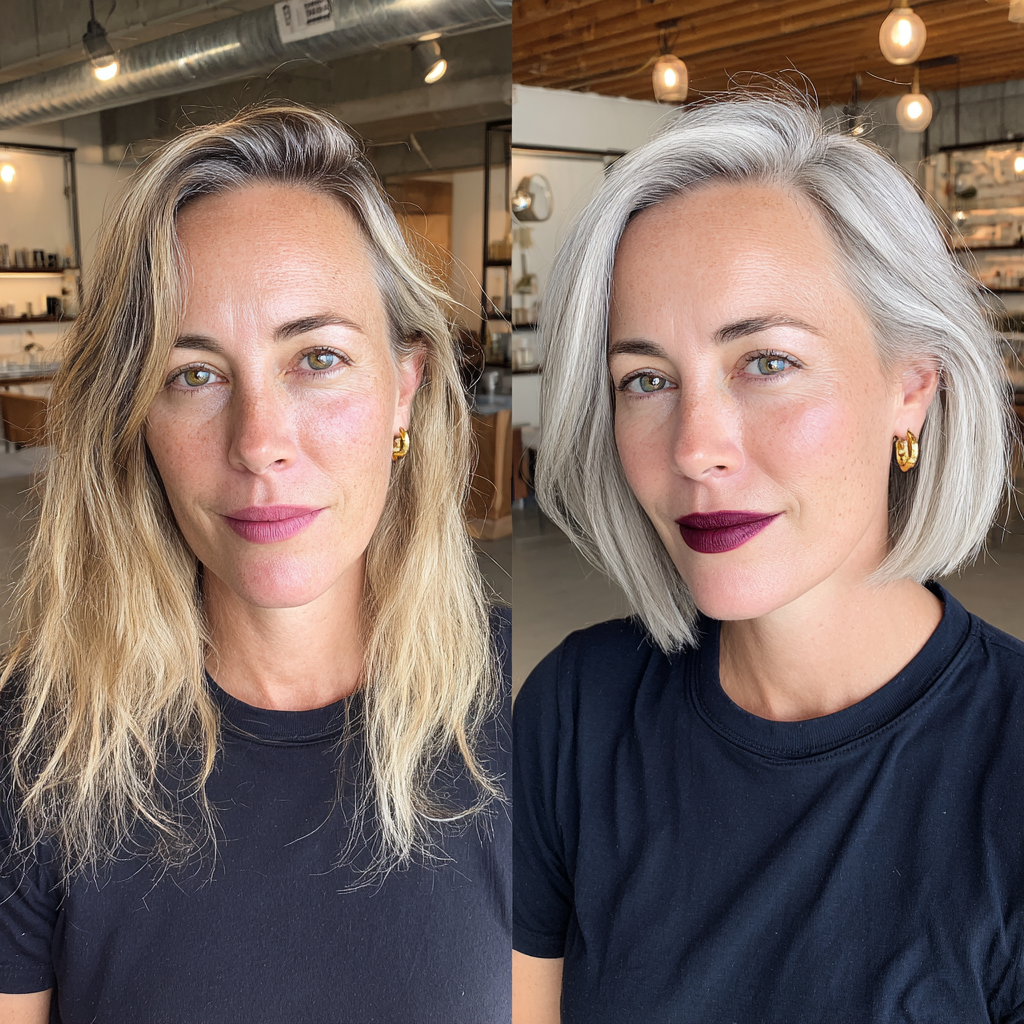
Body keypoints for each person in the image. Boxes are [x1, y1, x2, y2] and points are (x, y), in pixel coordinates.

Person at [512, 94, 1024, 1024]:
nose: (694, 448)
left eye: (767, 362)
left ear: (912, 385)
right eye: (646, 380)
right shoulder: (573, 713)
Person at [0, 103, 510, 1024]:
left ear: (405, 388)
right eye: (193, 374)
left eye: (317, 358)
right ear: (136, 419)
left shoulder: (541, 714)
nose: (259, 442)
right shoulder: (41, 747)